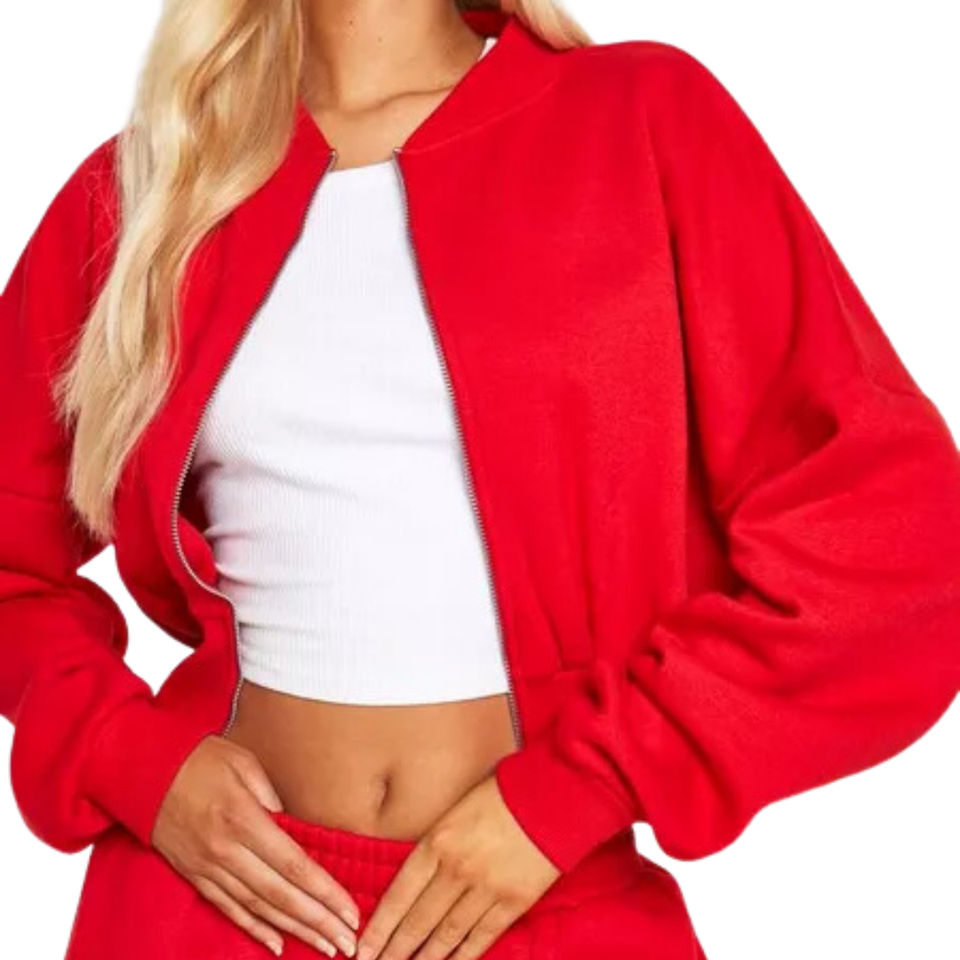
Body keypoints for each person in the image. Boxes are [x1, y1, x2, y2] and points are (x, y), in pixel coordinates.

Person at [2, 2, 959, 958]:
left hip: (540, 896)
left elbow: (902, 537)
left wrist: (582, 788)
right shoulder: (152, 186)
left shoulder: (639, 118)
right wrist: (129, 760)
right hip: (212, 902)